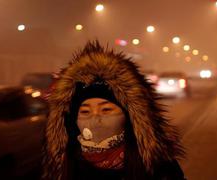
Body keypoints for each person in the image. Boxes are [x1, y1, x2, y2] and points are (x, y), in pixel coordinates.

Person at [42, 41, 186, 179]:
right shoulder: (66, 167)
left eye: (106, 109)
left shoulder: (157, 166)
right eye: (85, 112)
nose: (95, 118)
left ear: (128, 116)